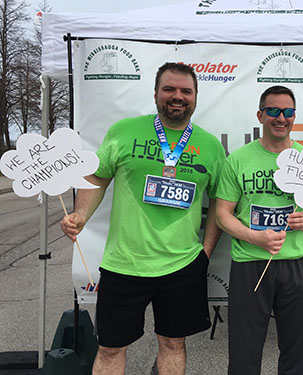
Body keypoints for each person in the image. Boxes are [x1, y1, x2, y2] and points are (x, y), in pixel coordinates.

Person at [60, 62, 225, 375]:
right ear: (155, 94)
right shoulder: (124, 131)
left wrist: (205, 252)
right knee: (110, 347)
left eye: (185, 91)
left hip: (182, 265)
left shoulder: (211, 146)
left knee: (173, 344)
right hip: (124, 264)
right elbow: (97, 176)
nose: (178, 96)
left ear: (195, 97)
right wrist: (81, 214)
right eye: (169, 89)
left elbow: (220, 202)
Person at [215, 85, 303, 375]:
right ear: (260, 115)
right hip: (251, 264)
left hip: (299, 263)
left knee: (298, 349)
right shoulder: (238, 160)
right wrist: (254, 236)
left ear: (295, 117)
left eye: (288, 112)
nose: (281, 118)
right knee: (244, 349)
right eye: (273, 111)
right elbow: (221, 214)